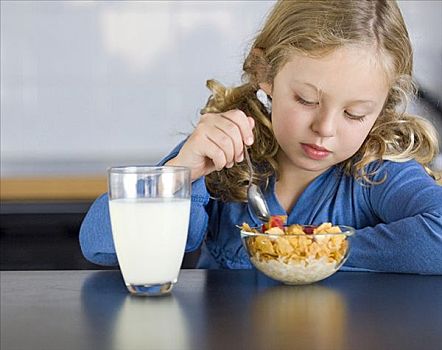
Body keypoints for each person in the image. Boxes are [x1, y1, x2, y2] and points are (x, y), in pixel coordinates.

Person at [80, 0, 442, 274]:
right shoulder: (228, 153)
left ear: (382, 107)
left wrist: (313, 249)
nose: (326, 128)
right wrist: (180, 174)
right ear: (264, 71)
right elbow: (100, 245)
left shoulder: (377, 171)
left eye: (354, 114)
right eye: (306, 100)